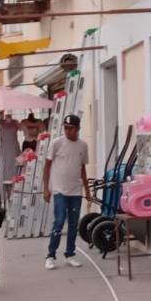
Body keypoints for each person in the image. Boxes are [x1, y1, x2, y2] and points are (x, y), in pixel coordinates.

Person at [42, 114, 90, 269]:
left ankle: (70, 254)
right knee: (59, 221)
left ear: (78, 129)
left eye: (71, 128)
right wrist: (46, 189)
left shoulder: (83, 146)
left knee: (73, 223)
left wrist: (87, 190)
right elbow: (47, 166)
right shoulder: (56, 143)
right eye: (66, 128)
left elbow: (82, 168)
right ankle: (50, 255)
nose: (68, 131)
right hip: (59, 190)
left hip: (76, 190)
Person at [0, 112, 21, 189]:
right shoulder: (1, 123)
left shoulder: (16, 122)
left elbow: (20, 129)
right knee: (4, 164)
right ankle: (5, 187)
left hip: (14, 146)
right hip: (5, 146)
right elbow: (1, 137)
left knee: (15, 164)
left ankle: (16, 183)